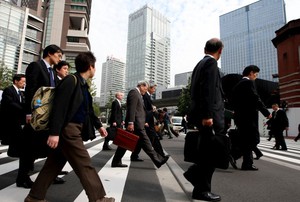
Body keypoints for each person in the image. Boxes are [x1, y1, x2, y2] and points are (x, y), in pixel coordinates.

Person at [24, 51, 115, 202]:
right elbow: (59, 107)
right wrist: (54, 133)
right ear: (90, 67)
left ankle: (34, 197)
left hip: (73, 128)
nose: (95, 70)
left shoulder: (83, 85)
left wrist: (99, 126)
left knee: (53, 165)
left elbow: (88, 110)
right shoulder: (70, 81)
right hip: (68, 130)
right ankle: (98, 198)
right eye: (94, 67)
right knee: (84, 164)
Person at [16, 44, 64, 189]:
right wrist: (30, 112)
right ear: (49, 53)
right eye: (58, 55)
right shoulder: (36, 66)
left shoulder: (53, 73)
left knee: (50, 147)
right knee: (28, 148)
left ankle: (50, 175)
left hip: (47, 116)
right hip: (35, 115)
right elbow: (31, 90)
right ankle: (22, 178)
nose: (59, 59)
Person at [183, 38, 224, 201]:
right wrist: (207, 115)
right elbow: (208, 90)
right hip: (209, 116)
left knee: (206, 152)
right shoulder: (211, 64)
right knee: (210, 154)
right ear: (220, 50)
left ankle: (194, 175)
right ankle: (201, 190)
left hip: (201, 115)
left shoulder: (199, 65)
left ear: (205, 48)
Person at [111, 81, 169, 168]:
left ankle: (116, 161)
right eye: (146, 88)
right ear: (142, 86)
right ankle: (158, 160)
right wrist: (131, 122)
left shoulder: (138, 94)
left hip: (138, 123)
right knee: (146, 142)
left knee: (125, 142)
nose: (146, 91)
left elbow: (138, 110)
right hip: (136, 124)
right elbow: (132, 108)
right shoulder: (134, 92)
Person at [232, 65, 271, 171]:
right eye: (256, 74)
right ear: (251, 73)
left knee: (247, 140)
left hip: (240, 118)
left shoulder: (237, 85)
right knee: (253, 139)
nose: (256, 77)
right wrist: (266, 112)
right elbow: (255, 98)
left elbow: (233, 102)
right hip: (248, 117)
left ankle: (247, 163)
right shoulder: (248, 83)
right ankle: (234, 155)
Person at [131, 81, 168, 160]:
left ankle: (134, 155)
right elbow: (142, 110)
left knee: (141, 140)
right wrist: (146, 120)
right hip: (146, 122)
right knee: (153, 139)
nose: (154, 90)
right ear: (148, 87)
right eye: (153, 88)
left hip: (146, 122)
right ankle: (161, 156)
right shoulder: (144, 96)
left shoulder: (146, 96)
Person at [0, 74, 26, 156]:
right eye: (23, 82)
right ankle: (12, 152)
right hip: (8, 118)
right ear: (16, 81)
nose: (24, 84)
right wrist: (23, 109)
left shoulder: (21, 93)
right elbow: (10, 103)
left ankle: (12, 152)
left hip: (16, 118)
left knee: (17, 135)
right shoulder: (9, 90)